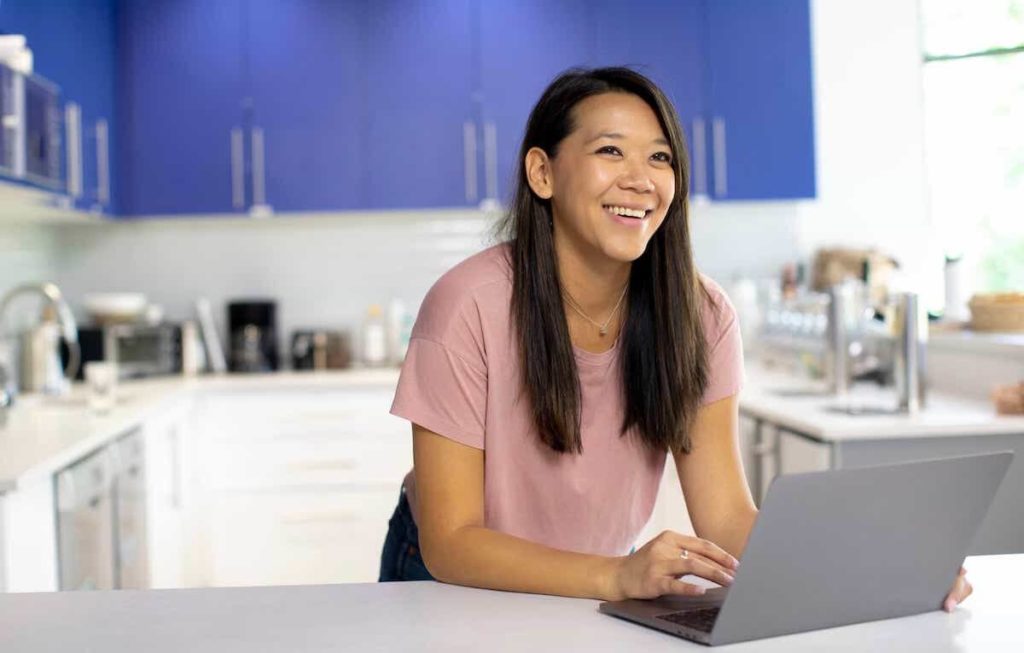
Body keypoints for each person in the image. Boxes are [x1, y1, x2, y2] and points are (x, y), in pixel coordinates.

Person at [378, 66, 972, 611]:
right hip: (451, 580)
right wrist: (616, 576)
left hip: (592, 582)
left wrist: (882, 569)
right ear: (543, 172)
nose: (640, 180)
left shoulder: (700, 314)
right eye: (611, 150)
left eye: (660, 158)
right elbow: (452, 542)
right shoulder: (467, 305)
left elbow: (727, 518)